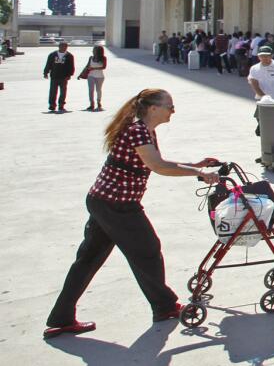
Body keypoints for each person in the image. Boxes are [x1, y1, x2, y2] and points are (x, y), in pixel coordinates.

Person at [43, 89, 220, 339]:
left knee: (88, 259)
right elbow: (158, 166)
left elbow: (156, 160)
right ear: (153, 108)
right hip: (117, 205)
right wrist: (198, 173)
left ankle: (61, 319)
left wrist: (196, 165)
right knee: (147, 251)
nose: (173, 110)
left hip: (103, 201)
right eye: (169, 106)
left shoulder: (144, 130)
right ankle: (164, 306)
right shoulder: (137, 131)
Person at [44, 42, 76, 113]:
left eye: (65, 47)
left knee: (63, 92)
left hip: (64, 77)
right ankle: (52, 105)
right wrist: (46, 72)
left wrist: (70, 75)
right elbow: (48, 64)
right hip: (54, 76)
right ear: (59, 47)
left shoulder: (69, 56)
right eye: (62, 46)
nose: (63, 48)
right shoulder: (52, 55)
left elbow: (71, 66)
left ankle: (61, 105)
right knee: (53, 91)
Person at [80, 46, 108, 112]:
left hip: (100, 76)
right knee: (91, 90)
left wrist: (94, 68)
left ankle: (99, 103)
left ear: (98, 51)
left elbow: (104, 67)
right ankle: (91, 104)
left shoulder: (103, 58)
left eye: (94, 50)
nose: (93, 51)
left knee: (98, 90)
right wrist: (81, 74)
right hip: (90, 76)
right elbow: (87, 66)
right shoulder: (91, 58)